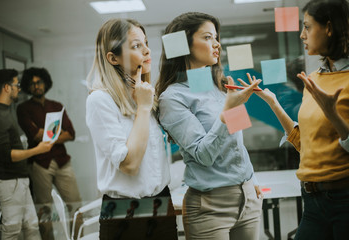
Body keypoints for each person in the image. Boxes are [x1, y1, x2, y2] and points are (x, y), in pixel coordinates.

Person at [239, 0, 349, 239]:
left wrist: (333, 115)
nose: (301, 35)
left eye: (307, 27)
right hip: (312, 199)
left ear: (329, 28)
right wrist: (273, 102)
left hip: (344, 198)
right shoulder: (314, 79)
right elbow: (304, 144)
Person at [155, 12, 263, 240]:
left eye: (216, 37)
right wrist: (228, 111)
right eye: (207, 37)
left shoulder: (221, 85)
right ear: (184, 44)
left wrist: (251, 178)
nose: (217, 44)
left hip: (248, 199)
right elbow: (204, 156)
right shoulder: (172, 98)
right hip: (209, 208)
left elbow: (237, 145)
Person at [85, 18, 177, 239]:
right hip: (121, 210)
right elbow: (130, 164)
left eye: (146, 43)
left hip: (162, 202)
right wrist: (143, 109)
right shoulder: (100, 100)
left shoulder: (147, 94)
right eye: (137, 46)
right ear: (113, 58)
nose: (147, 50)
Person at [16, 67, 81, 238]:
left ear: (45, 83)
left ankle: (78, 237)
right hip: (40, 164)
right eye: (32, 84)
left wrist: (47, 135)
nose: (36, 86)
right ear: (28, 87)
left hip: (62, 161)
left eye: (39, 82)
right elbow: (35, 135)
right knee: (44, 209)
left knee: (75, 204)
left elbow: (71, 133)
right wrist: (57, 134)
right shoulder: (23, 109)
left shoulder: (57, 106)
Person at [0, 69, 53, 239]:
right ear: (6, 88)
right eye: (16, 85)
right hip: (10, 183)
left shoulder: (5, 111)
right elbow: (6, 155)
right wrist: (37, 150)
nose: (19, 88)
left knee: (31, 226)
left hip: (19, 180)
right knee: (12, 230)